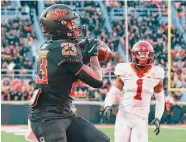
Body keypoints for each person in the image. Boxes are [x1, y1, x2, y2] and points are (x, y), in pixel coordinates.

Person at [28, 4, 110, 142]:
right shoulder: (64, 48)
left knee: (100, 140)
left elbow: (68, 67)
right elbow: (97, 80)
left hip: (64, 114)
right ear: (59, 26)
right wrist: (93, 55)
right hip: (47, 118)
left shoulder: (51, 46)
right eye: (70, 22)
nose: (74, 26)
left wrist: (83, 53)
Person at [103, 40, 165, 142]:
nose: (143, 57)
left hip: (141, 118)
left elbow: (160, 99)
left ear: (151, 55)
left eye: (146, 54)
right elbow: (113, 91)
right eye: (140, 54)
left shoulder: (157, 73)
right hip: (123, 116)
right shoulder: (125, 69)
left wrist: (158, 117)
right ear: (134, 54)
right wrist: (107, 104)